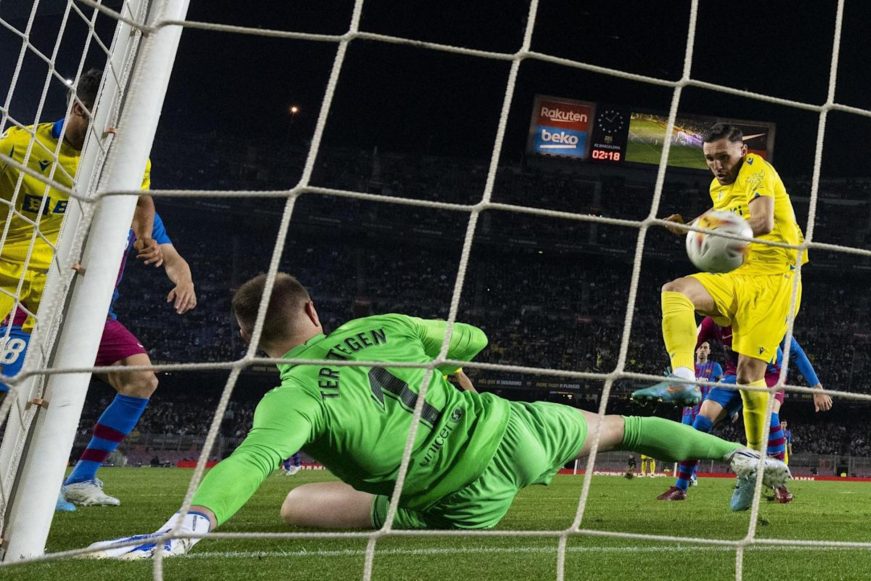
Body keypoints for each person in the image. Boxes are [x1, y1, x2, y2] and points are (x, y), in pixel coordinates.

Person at [86, 273, 789, 559]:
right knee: (619, 428)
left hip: (459, 504)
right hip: (514, 430)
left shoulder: (289, 398)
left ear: (250, 340)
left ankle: (186, 532)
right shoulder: (385, 324)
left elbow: (250, 461)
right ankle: (740, 455)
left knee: (296, 500)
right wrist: (444, 360)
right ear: (312, 310)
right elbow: (472, 337)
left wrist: (191, 522)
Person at [632, 122, 808, 472]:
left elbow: (762, 222)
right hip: (740, 275)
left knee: (748, 376)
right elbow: (713, 225)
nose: (717, 165)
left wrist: (711, 233)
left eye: (723, 157)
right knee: (675, 290)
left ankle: (758, 465)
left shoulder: (757, 169)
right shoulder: (717, 188)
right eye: (710, 158)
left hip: (778, 280)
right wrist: (688, 229)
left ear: (742, 151)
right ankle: (683, 379)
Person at [0, 68, 159, 390]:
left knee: (137, 375)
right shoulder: (17, 147)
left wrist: (144, 236)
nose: (113, 133)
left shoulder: (125, 159)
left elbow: (141, 200)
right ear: (79, 109)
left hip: (56, 280)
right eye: (107, 122)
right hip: (5, 267)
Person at [58, 211, 196, 507]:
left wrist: (185, 281)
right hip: (33, 307)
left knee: (141, 379)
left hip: (95, 317)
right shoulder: (69, 201)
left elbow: (173, 259)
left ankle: (81, 478)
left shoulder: (141, 213)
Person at [649, 317, 830, 507]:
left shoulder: (764, 313)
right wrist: (680, 375)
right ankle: (681, 486)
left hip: (768, 374)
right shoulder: (712, 320)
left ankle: (779, 485)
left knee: (769, 417)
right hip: (734, 374)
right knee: (701, 422)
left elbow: (795, 352)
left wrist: (816, 388)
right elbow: (688, 346)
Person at [656, 342, 723, 499]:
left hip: (705, 411)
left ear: (709, 351)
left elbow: (723, 386)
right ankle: (690, 476)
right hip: (687, 411)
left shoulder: (715, 367)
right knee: (684, 443)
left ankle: (691, 476)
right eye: (700, 347)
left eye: (705, 348)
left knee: (695, 443)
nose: (702, 350)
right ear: (695, 350)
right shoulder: (689, 367)